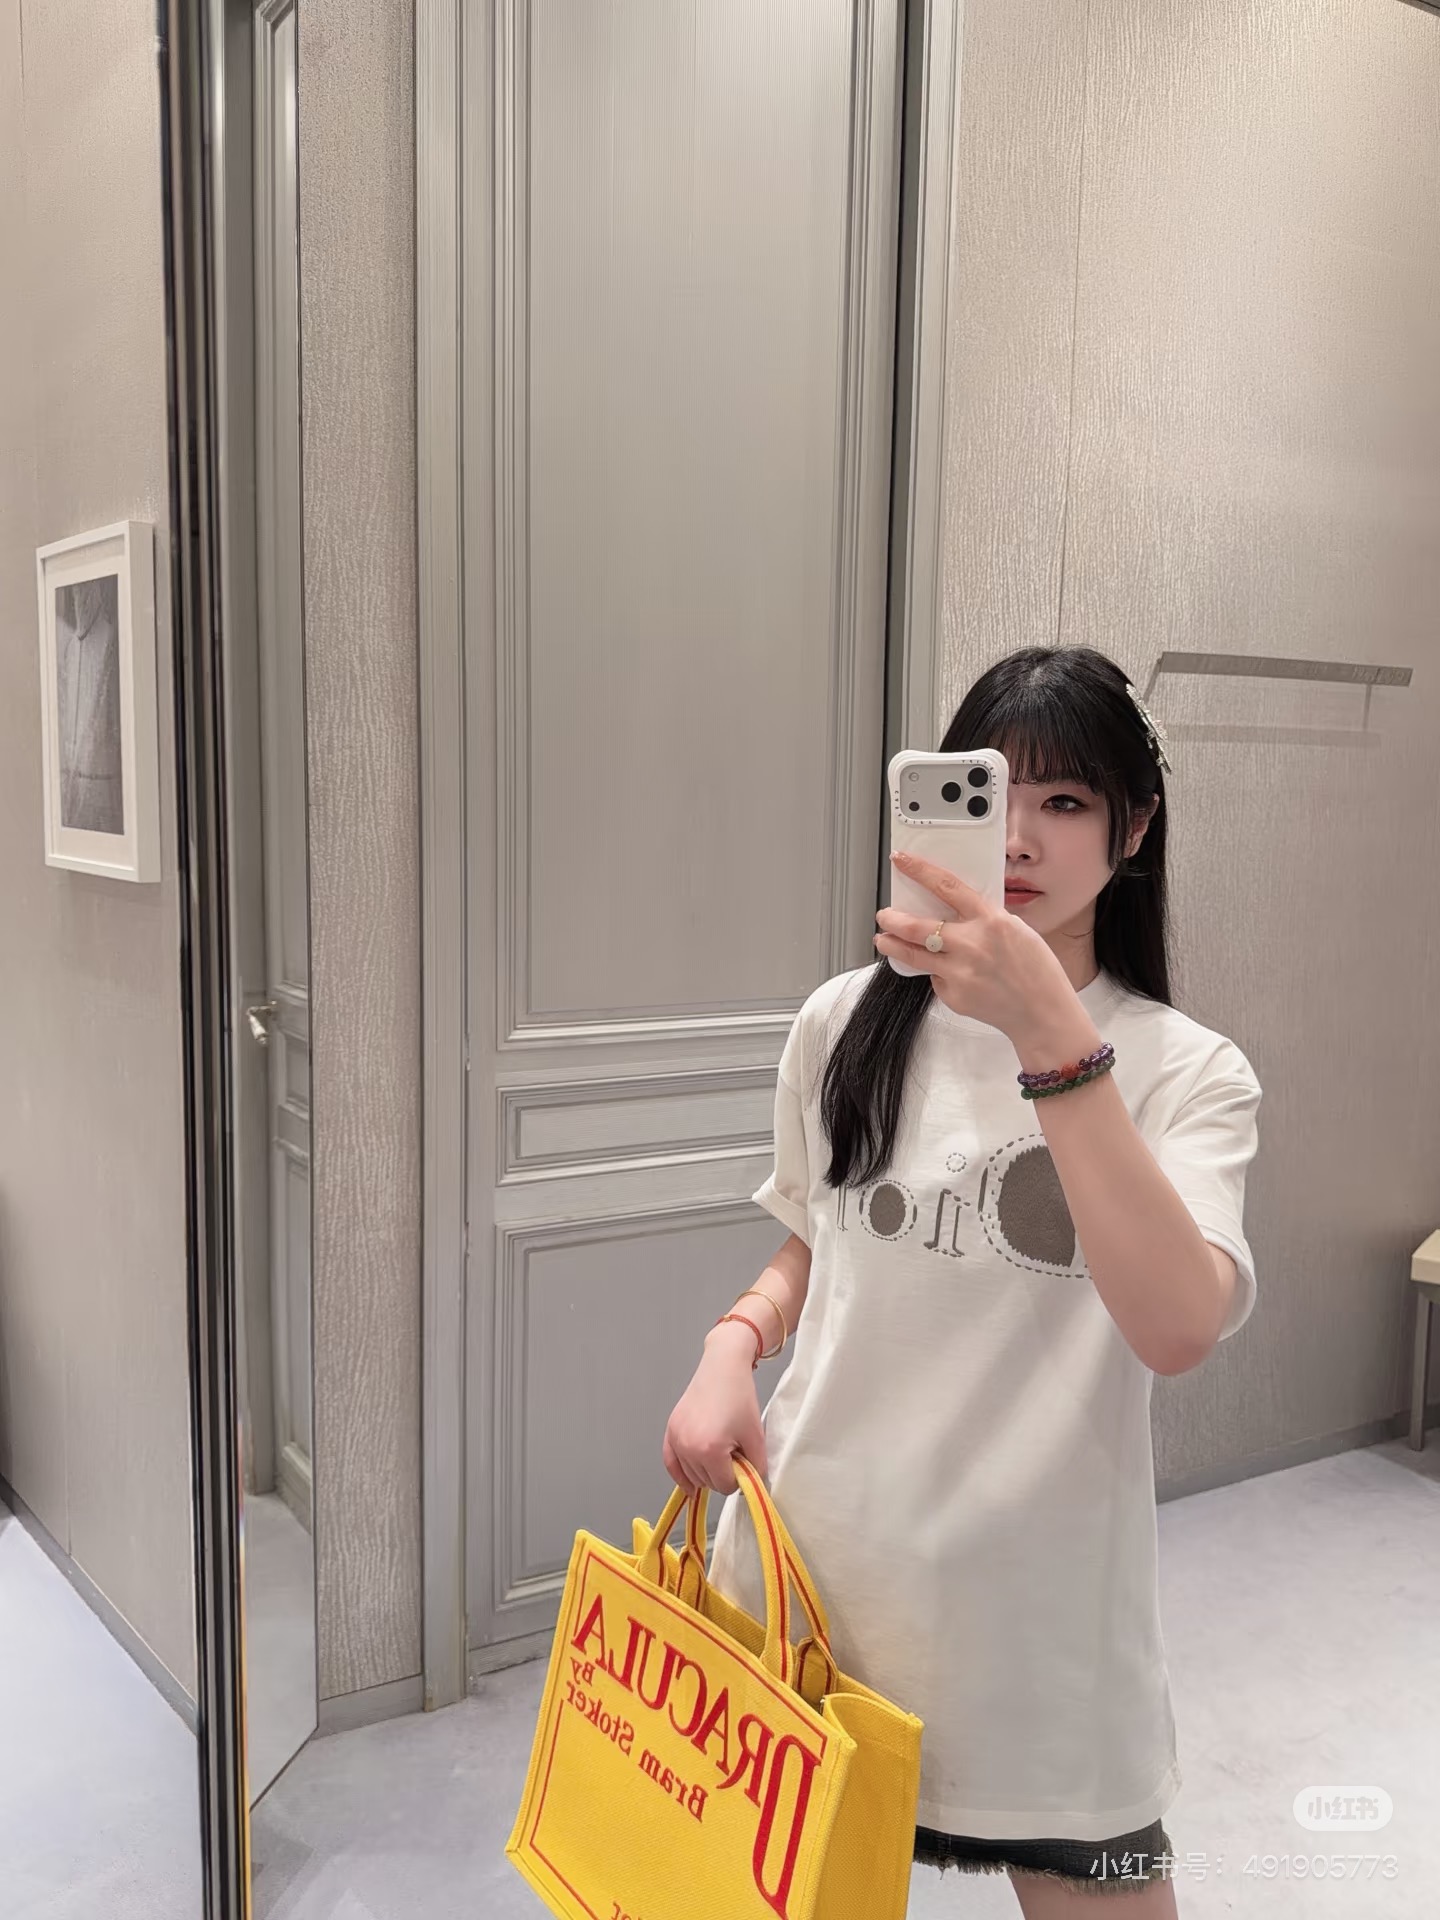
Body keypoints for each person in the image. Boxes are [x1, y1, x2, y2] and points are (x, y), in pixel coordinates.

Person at [661, 646, 1262, 1915]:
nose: (1024, 838)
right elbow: (821, 1239)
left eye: (1068, 801)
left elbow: (1177, 1326)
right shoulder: (845, 1023)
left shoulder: (1187, 1072)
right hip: (814, 1579)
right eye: (997, 794)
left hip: (1038, 1634)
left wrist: (1051, 1036)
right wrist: (732, 1345)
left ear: (1135, 829)